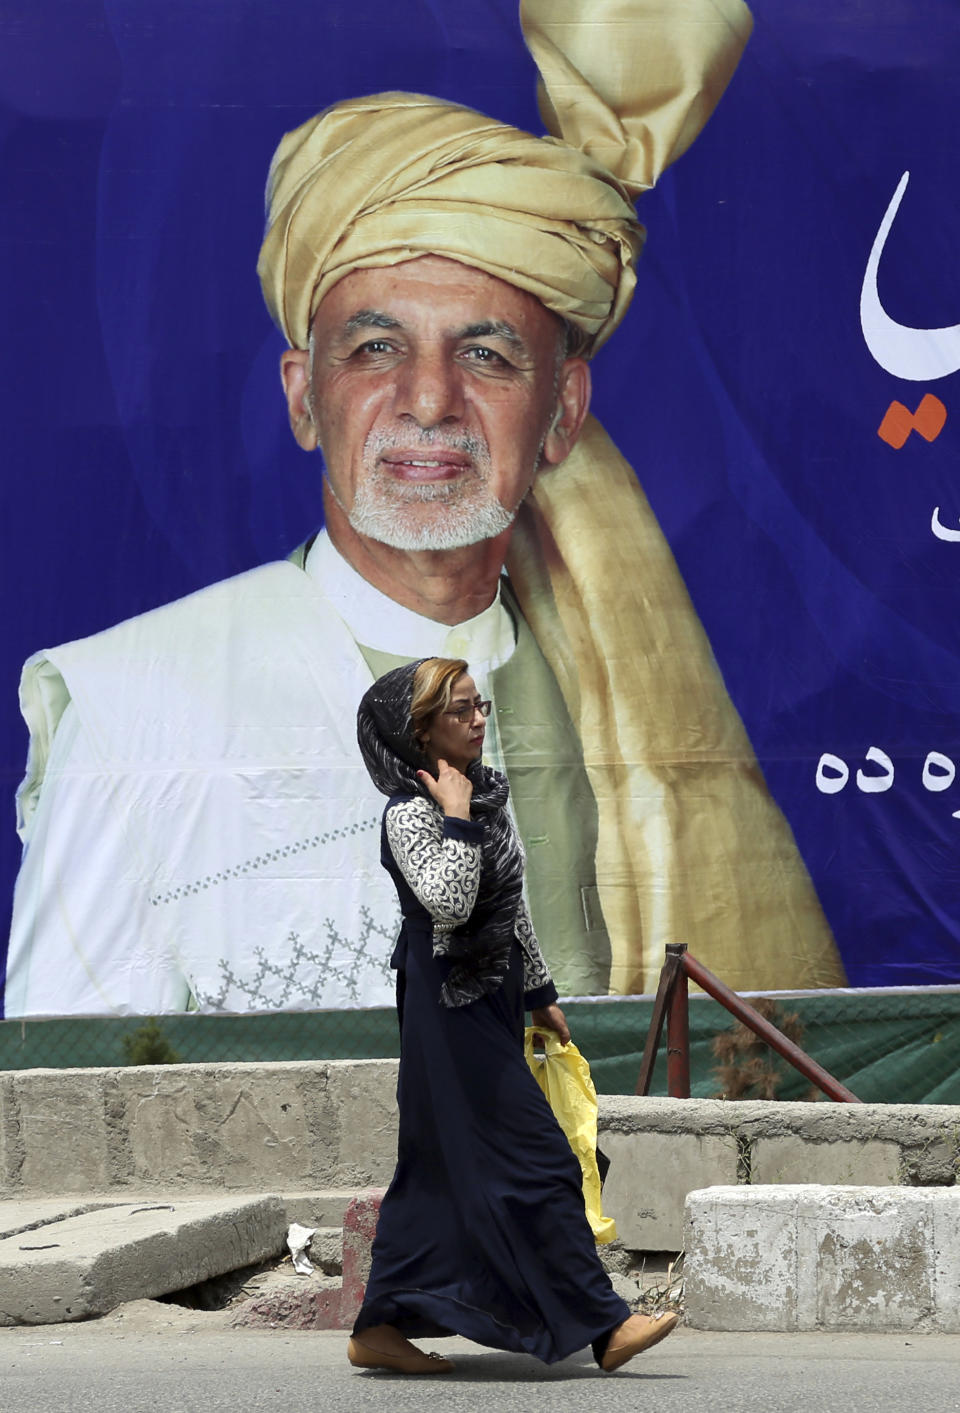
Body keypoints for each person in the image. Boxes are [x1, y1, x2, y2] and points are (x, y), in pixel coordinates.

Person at [4, 0, 846, 1019]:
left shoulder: (632, 700)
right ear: (302, 397)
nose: (430, 400)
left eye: (486, 354)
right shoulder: (133, 712)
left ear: (561, 413)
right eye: (376, 348)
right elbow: (58, 1122)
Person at [350, 655, 677, 1374]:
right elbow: (451, 901)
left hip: (493, 997)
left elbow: (508, 907)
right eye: (460, 710)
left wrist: (540, 993)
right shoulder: (409, 813)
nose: (476, 720)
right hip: (447, 1005)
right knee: (541, 1161)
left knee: (435, 1169)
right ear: (421, 730)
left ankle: (379, 1325)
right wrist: (458, 816)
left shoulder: (487, 794)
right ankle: (605, 1324)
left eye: (480, 706)